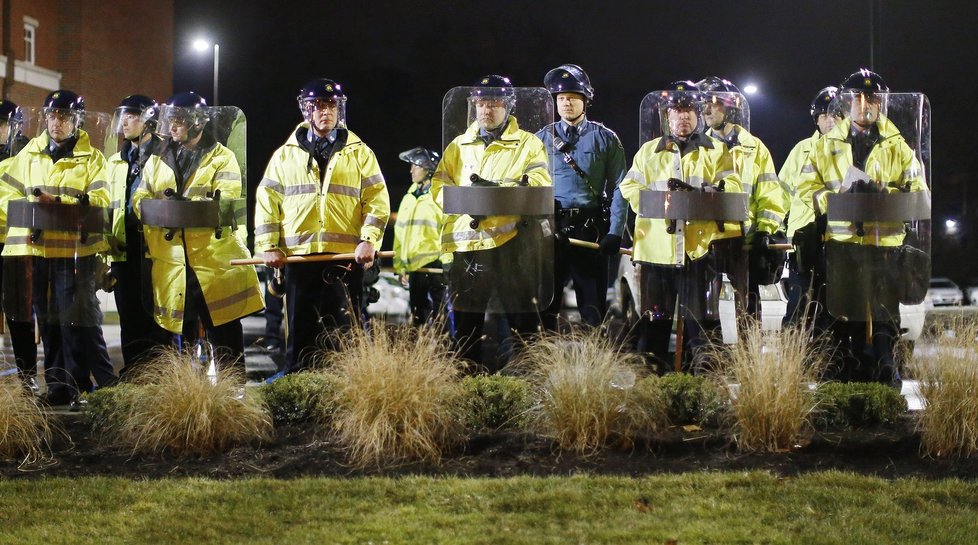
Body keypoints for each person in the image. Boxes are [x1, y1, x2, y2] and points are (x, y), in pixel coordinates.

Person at [796, 69, 928, 388]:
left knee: (885, 319)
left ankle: (885, 379)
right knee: (842, 318)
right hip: (842, 247)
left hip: (885, 249)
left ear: (881, 104)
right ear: (847, 102)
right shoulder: (824, 146)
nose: (864, 104)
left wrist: (885, 196)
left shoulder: (900, 146)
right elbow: (805, 189)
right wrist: (838, 199)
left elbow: (919, 193)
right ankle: (845, 384)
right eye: (857, 98)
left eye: (871, 98)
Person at [255, 78, 390, 381]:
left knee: (344, 326)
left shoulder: (360, 153)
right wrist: (268, 245)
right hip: (299, 256)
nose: (325, 112)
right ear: (307, 111)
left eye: (331, 106)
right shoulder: (284, 155)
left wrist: (369, 241)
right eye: (318, 106)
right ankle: (295, 380)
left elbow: (377, 201)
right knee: (299, 325)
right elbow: (267, 202)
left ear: (340, 110)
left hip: (344, 256)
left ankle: (347, 383)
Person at [0, 90, 117, 405]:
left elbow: (102, 203)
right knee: (48, 322)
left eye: (63, 116)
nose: (56, 123)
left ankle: (85, 386)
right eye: (51, 116)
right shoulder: (28, 155)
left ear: (77, 120)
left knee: (73, 322)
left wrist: (59, 204)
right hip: (36, 253)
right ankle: (57, 388)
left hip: (74, 255)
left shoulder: (93, 159)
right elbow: (4, 196)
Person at [133, 92, 264, 371]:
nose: (172, 127)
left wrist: (185, 207)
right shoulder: (157, 158)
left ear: (197, 123)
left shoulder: (222, 157)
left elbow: (225, 202)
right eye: (170, 120)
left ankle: (233, 393)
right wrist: (156, 207)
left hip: (211, 260)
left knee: (224, 330)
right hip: (173, 261)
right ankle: (182, 394)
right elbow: (139, 197)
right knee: (176, 332)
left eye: (179, 120)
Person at [618, 81, 743, 372]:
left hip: (697, 254)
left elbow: (733, 186)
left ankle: (700, 387)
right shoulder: (649, 151)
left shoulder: (716, 151)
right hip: (657, 256)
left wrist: (709, 192)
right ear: (667, 116)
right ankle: (653, 389)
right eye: (677, 111)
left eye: (688, 111)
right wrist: (659, 203)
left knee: (700, 330)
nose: (683, 117)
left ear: (698, 115)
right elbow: (629, 187)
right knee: (654, 327)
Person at [431, 75, 552, 373]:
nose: (487, 110)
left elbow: (539, 183)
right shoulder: (458, 145)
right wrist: (464, 201)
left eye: (495, 103)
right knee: (465, 326)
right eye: (482, 103)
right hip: (467, 248)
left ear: (508, 107)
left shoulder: (529, 144)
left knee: (520, 323)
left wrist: (498, 192)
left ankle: (524, 384)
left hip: (510, 245)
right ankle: (467, 385)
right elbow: (438, 186)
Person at [536, 64, 628, 329]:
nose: (566, 103)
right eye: (561, 98)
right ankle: (542, 363)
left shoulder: (606, 138)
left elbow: (621, 185)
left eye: (573, 97)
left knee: (592, 308)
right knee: (546, 305)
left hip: (591, 230)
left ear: (585, 100)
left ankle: (594, 364)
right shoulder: (541, 139)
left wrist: (615, 231)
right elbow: (529, 185)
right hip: (552, 227)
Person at [697, 76, 785, 318]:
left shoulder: (755, 148)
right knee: (707, 312)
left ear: (730, 107)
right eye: (703, 103)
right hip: (709, 241)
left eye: (713, 103)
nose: (706, 109)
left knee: (748, 312)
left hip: (745, 240)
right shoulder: (697, 148)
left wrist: (765, 231)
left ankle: (747, 356)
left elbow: (769, 193)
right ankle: (714, 356)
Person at [105, 94, 172, 377]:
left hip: (156, 247)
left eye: (132, 116)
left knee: (157, 317)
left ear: (148, 120)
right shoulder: (116, 160)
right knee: (129, 315)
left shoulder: (166, 154)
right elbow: (108, 204)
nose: (125, 122)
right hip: (124, 246)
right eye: (123, 116)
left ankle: (157, 377)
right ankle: (132, 374)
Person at [780, 86, 843, 327]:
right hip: (804, 239)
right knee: (799, 304)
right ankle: (793, 361)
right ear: (816, 120)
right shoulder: (802, 150)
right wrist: (775, 227)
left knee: (832, 308)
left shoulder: (851, 150)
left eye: (836, 115)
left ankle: (829, 361)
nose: (830, 121)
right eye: (824, 115)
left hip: (840, 239)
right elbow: (781, 191)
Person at [0, 99, 38, 389]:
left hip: (15, 244)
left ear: (13, 127)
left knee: (19, 312)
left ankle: (28, 378)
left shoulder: (28, 155)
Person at [392, 146, 448, 326]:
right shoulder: (408, 198)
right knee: (417, 318)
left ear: (428, 169)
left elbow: (448, 230)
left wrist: (447, 262)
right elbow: (399, 234)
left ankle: (446, 352)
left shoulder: (439, 196)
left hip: (435, 267)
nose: (411, 170)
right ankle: (421, 353)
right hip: (415, 269)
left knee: (441, 318)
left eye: (415, 166)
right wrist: (400, 266)